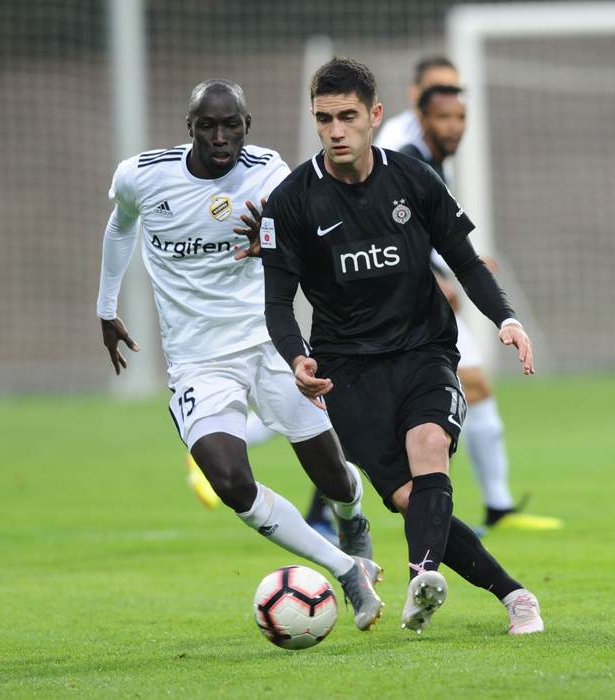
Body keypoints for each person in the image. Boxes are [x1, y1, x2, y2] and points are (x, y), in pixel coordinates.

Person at [259, 58, 544, 635]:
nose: (336, 130)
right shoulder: (291, 201)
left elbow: (465, 262)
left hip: (423, 349)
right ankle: (515, 594)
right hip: (346, 371)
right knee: (413, 499)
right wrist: (296, 357)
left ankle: (423, 577)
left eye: (347, 116)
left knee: (430, 443)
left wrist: (506, 319)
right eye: (324, 119)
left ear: (375, 115)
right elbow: (276, 303)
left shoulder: (414, 180)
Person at [96, 79, 383, 631]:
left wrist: (272, 244)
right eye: (207, 126)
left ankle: (353, 518)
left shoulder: (270, 172)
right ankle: (346, 571)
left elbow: (310, 239)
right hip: (198, 360)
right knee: (228, 480)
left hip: (270, 344)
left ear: (247, 125)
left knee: (334, 477)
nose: (220, 137)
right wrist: (106, 307)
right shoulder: (143, 175)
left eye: (231, 125)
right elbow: (120, 225)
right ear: (189, 127)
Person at [400, 84, 564, 534]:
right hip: (405, 305)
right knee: (349, 408)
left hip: (430, 301)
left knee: (475, 387)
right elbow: (397, 234)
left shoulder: (435, 165)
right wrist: (435, 277)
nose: (454, 127)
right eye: (443, 117)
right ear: (421, 119)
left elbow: (430, 235)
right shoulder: (410, 163)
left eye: (460, 117)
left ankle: (496, 505)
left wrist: (458, 266)